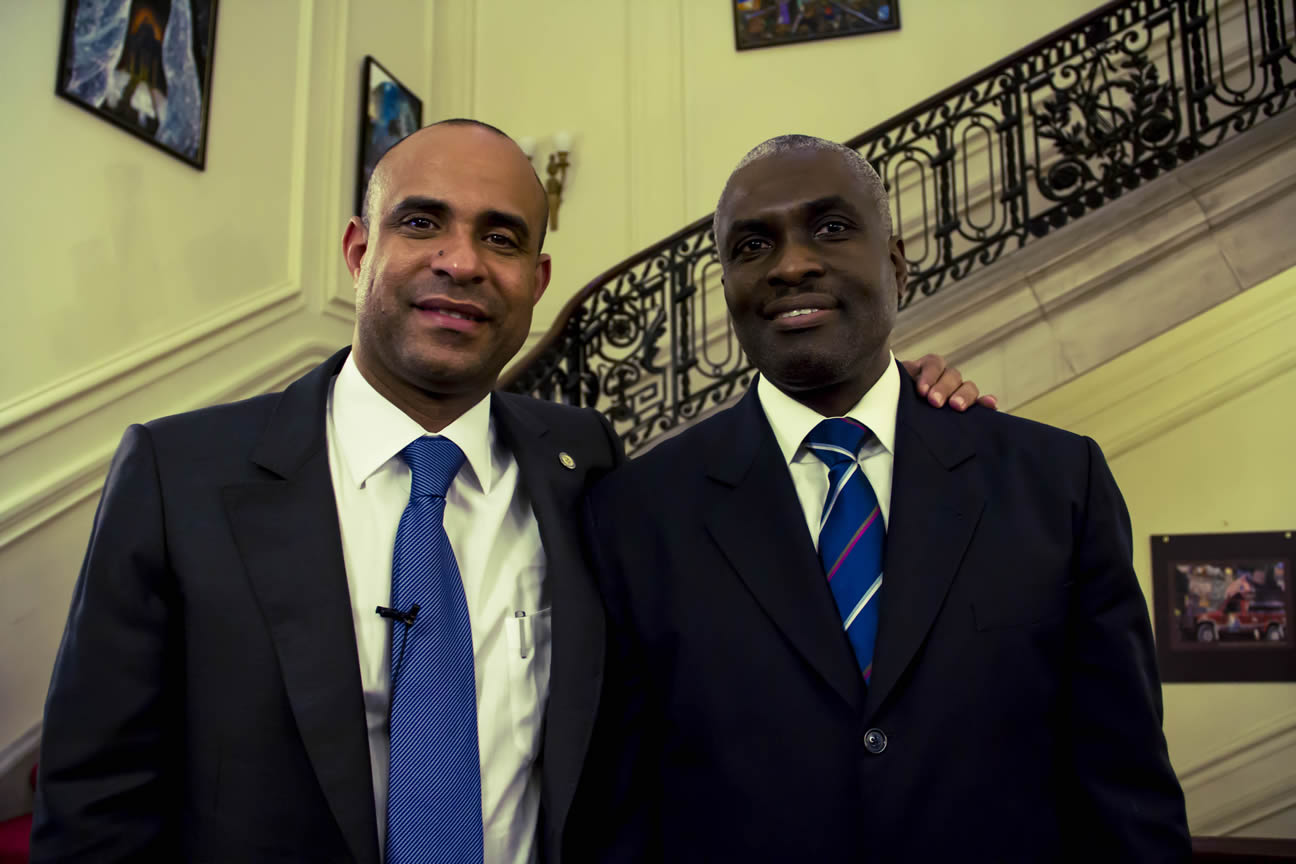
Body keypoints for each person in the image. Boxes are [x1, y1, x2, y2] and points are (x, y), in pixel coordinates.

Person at [30, 121, 986, 863]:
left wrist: (908, 406)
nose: (460, 261)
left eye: (500, 237)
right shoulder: (180, 479)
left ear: (535, 281)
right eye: (422, 222)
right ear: (358, 252)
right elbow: (95, 804)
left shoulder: (588, 470)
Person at [575, 135, 1190, 862]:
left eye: (832, 228)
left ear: (896, 264)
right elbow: (622, 816)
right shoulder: (636, 515)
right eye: (752, 246)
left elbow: (1125, 792)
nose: (791, 265)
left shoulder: (1055, 481)